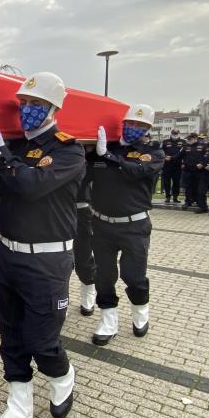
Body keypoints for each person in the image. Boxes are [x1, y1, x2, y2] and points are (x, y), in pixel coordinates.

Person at [0, 72, 84, 418]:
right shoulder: (12, 147)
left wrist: (0, 152)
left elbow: (31, 185)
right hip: (9, 255)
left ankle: (62, 376)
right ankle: (19, 403)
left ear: (53, 108)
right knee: (12, 336)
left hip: (48, 261)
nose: (27, 110)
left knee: (42, 339)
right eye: (23, 104)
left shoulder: (68, 149)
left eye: (36, 104)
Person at [85, 105, 164, 345]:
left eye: (141, 126)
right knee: (104, 276)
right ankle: (108, 320)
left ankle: (141, 313)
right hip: (101, 224)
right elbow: (82, 176)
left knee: (134, 276)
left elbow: (135, 171)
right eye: (131, 123)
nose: (135, 129)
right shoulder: (105, 146)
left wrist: (107, 156)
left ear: (148, 129)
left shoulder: (152, 153)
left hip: (134, 226)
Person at [74, 172, 97, 316]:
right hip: (57, 208)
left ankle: (88, 294)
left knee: (84, 255)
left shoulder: (92, 156)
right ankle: (60, 299)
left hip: (82, 208)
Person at [180, 133, 207, 211]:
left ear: (195, 138)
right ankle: (188, 202)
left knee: (199, 187)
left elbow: (207, 157)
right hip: (188, 170)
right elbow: (179, 156)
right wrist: (171, 158)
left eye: (190, 139)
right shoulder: (186, 147)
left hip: (199, 171)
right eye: (188, 139)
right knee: (188, 187)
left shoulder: (203, 146)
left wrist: (202, 164)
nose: (188, 140)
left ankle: (199, 202)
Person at [160, 129, 184, 203]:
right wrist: (165, 157)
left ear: (179, 133)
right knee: (166, 182)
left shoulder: (183, 142)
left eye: (176, 133)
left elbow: (184, 153)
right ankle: (167, 196)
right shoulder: (165, 142)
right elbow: (160, 152)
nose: (175, 135)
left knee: (176, 182)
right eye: (174, 133)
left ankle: (175, 197)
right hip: (167, 165)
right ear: (171, 133)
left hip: (178, 165)